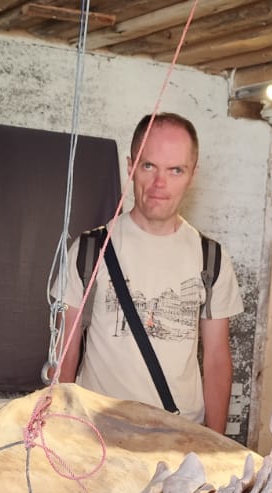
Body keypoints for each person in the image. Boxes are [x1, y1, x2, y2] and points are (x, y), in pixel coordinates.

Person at [57, 112, 243, 434]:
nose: (160, 184)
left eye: (175, 170)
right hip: (98, 436)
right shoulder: (90, 249)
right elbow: (65, 349)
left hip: (178, 438)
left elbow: (216, 359)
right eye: (148, 166)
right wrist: (57, 429)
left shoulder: (210, 257)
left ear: (192, 175)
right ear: (130, 166)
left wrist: (215, 444)